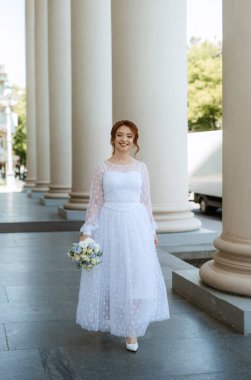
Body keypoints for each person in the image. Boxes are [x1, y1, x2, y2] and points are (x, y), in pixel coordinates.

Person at [76, 120, 170, 352]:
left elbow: (146, 201)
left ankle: (131, 329)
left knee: (137, 275)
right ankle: (114, 319)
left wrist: (152, 230)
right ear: (113, 138)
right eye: (120, 135)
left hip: (136, 224)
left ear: (134, 140)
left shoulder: (141, 168)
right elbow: (95, 202)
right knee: (112, 274)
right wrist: (87, 231)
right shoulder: (102, 167)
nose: (124, 139)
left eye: (129, 136)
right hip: (109, 223)